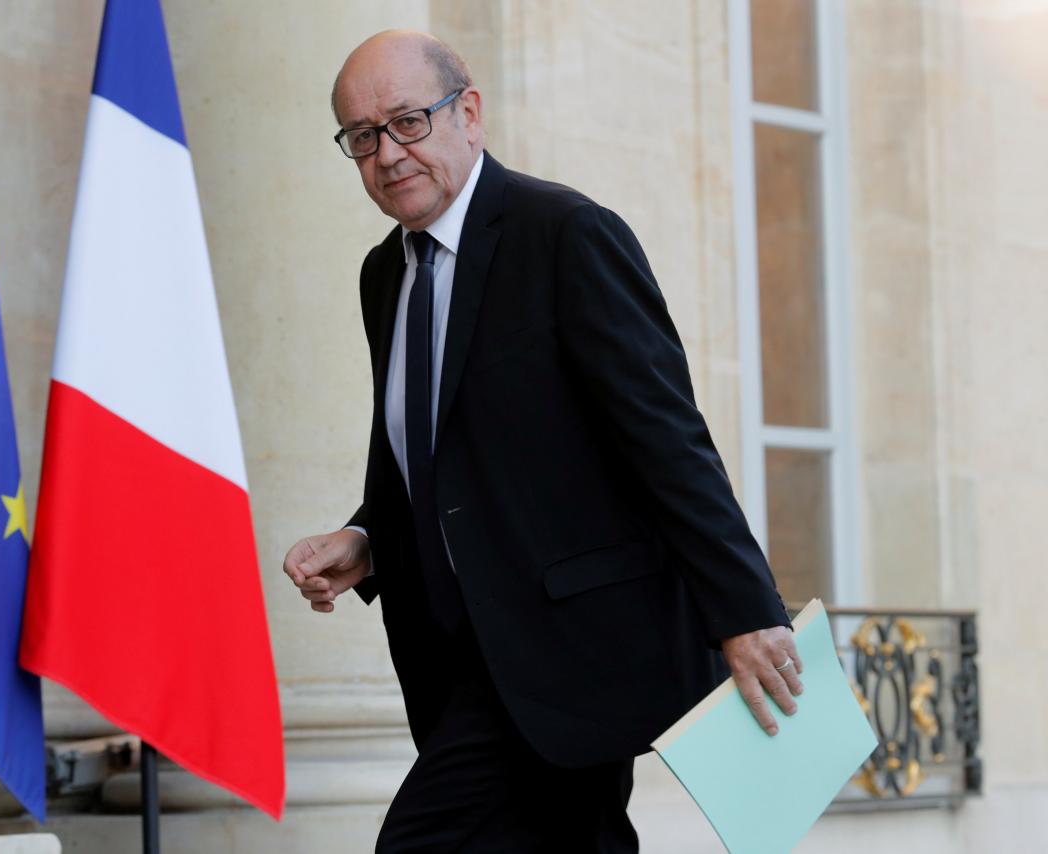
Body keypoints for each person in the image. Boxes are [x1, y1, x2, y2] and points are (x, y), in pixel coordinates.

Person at [283, 29, 803, 852]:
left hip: (570, 653)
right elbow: (442, 448)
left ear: (470, 114)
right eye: (363, 136)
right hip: (462, 658)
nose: (388, 154)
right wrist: (369, 538)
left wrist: (745, 611)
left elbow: (665, 436)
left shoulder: (565, 233)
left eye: (409, 121)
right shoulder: (384, 272)